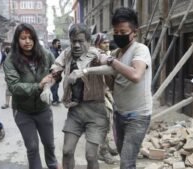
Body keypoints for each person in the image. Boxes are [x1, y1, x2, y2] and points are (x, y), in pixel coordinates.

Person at [68, 8, 152, 169]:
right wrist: (96, 68)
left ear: (134, 32)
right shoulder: (116, 53)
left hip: (138, 116)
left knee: (126, 163)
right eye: (116, 31)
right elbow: (112, 81)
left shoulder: (140, 50)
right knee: (124, 157)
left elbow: (136, 76)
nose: (119, 35)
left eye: (123, 31)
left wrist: (110, 62)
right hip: (120, 114)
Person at [49, 23, 108, 169]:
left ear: (89, 42)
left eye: (80, 41)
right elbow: (55, 71)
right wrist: (46, 87)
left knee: (91, 155)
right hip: (75, 111)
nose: (76, 45)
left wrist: (86, 71)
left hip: (96, 112)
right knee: (67, 151)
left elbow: (111, 67)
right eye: (73, 41)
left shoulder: (96, 54)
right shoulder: (67, 54)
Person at [3, 23, 60, 169]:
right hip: (23, 111)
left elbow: (57, 72)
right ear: (17, 40)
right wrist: (39, 86)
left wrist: (51, 82)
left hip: (43, 108)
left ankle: (53, 165)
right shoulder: (10, 60)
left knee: (49, 144)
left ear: (34, 38)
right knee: (33, 147)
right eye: (23, 38)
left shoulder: (46, 54)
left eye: (30, 37)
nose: (27, 41)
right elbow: (14, 86)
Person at [93, 33, 118, 165]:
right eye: (103, 42)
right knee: (103, 123)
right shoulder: (95, 57)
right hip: (97, 96)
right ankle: (102, 152)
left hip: (106, 94)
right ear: (97, 44)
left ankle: (106, 146)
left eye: (108, 42)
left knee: (107, 122)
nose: (107, 44)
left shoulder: (107, 55)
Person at [50, 39, 62, 105]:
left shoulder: (56, 51)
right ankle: (55, 100)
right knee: (54, 87)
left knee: (56, 86)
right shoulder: (53, 52)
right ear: (54, 44)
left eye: (59, 43)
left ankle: (56, 99)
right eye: (58, 43)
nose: (59, 44)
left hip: (57, 72)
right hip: (54, 72)